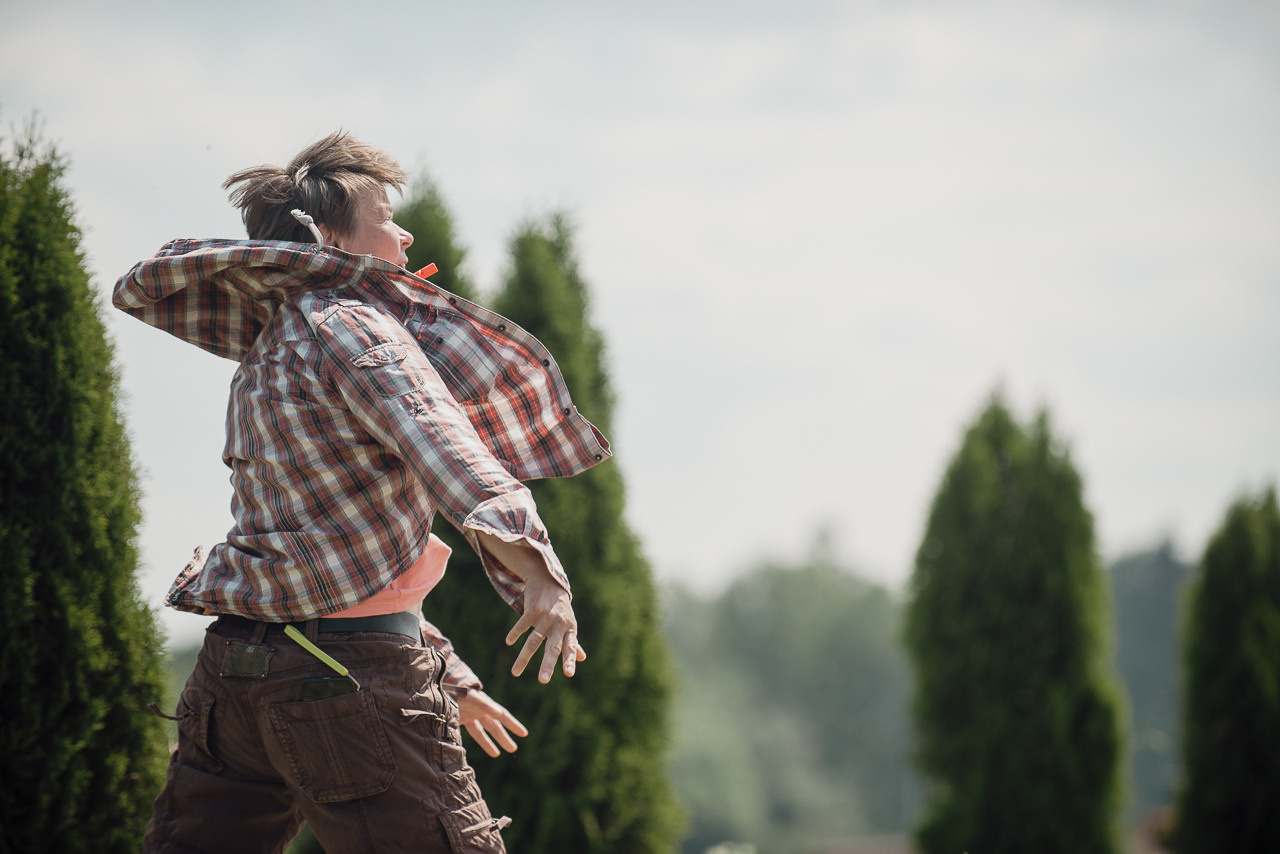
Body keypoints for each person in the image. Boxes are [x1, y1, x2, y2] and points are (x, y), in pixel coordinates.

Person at [114, 132, 610, 853]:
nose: (404, 234)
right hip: (343, 684)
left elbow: (313, 559)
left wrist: (450, 672)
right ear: (325, 237)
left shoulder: (268, 347)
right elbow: (441, 443)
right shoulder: (354, 322)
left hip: (235, 676)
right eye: (384, 216)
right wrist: (535, 567)